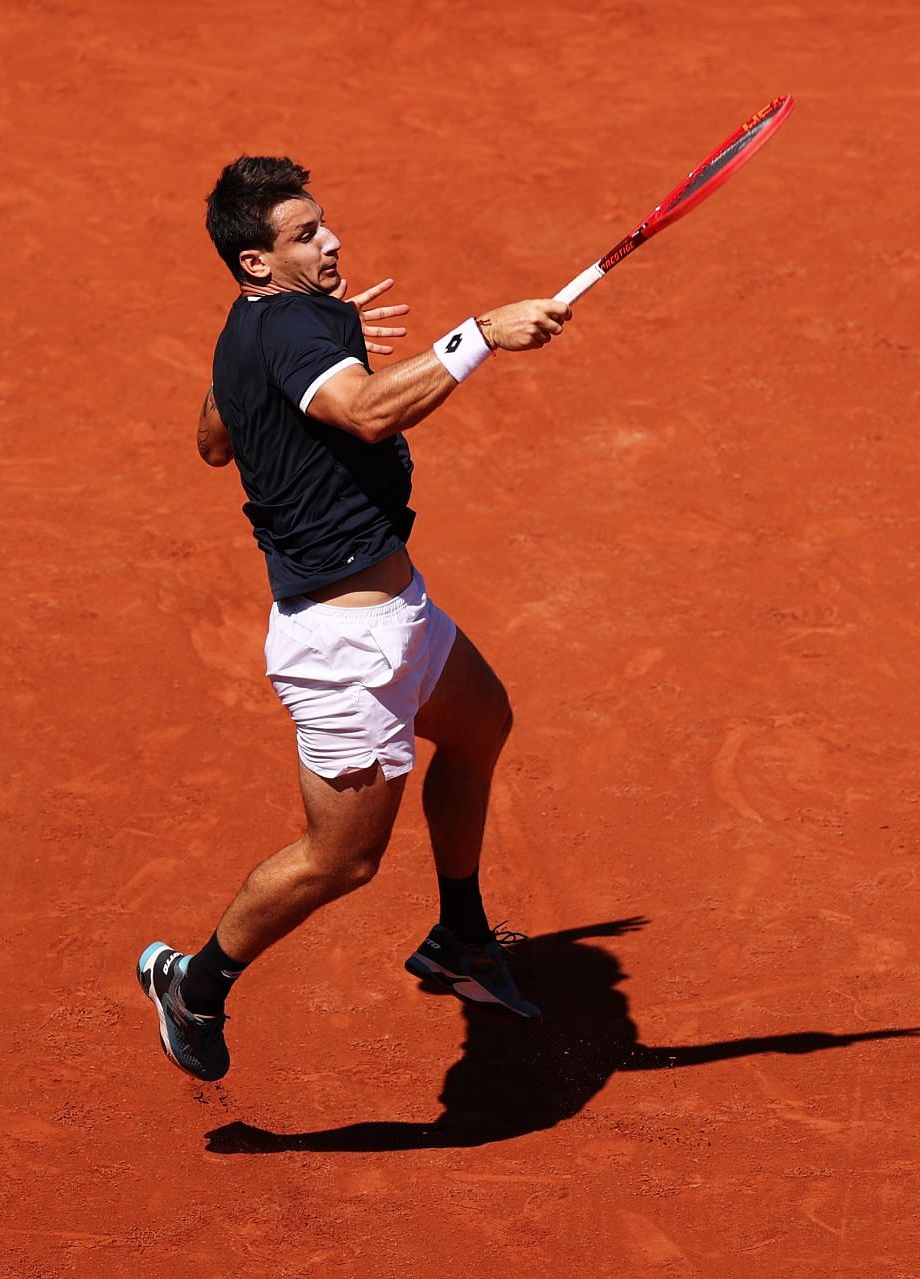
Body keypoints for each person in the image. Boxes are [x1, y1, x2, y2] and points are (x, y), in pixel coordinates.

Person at [138, 155, 572, 1082]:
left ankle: (458, 937)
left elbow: (215, 440)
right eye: (304, 236)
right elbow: (371, 413)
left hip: (399, 614)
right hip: (344, 644)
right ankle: (197, 983)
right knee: (341, 860)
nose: (331, 241)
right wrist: (482, 333)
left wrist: (292, 357)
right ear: (257, 262)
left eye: (323, 222)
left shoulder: (252, 326)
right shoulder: (290, 329)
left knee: (482, 721)